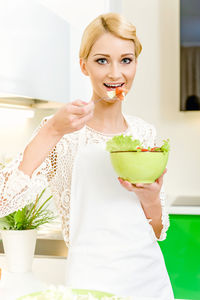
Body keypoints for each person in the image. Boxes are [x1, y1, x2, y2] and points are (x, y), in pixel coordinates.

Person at [0, 13, 174, 299]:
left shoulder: (144, 132)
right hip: (91, 279)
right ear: (84, 66)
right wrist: (52, 130)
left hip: (149, 279)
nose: (115, 73)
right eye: (102, 60)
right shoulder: (63, 132)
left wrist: (151, 199)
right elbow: (3, 199)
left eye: (126, 60)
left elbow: (156, 230)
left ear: (136, 64)